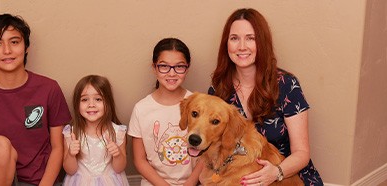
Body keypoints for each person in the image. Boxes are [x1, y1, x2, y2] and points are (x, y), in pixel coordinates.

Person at [208, 8, 323, 185]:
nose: (242, 46)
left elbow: (302, 153)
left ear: (262, 43)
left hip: (286, 176)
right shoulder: (219, 88)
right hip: (235, 177)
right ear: (226, 44)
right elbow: (212, 145)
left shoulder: (286, 84)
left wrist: (276, 172)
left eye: (250, 38)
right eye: (234, 38)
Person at [0, 14, 71, 186]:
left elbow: (58, 147)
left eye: (14, 42)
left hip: (39, 180)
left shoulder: (49, 88)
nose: (7, 50)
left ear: (26, 47)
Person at [128, 38, 204, 186]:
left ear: (187, 68)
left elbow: (206, 154)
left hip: (194, 182)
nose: (171, 73)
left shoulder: (199, 104)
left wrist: (190, 183)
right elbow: (139, 160)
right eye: (164, 66)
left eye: (179, 67)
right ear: (154, 67)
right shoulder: (141, 109)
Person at [62, 75, 129, 186]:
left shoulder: (118, 133)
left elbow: (119, 168)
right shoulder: (71, 134)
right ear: (77, 104)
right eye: (84, 100)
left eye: (98, 99)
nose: (91, 105)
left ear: (108, 102)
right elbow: (70, 170)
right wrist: (71, 154)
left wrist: (117, 154)